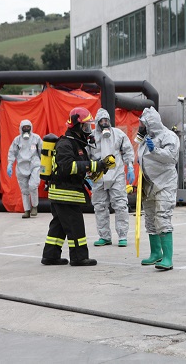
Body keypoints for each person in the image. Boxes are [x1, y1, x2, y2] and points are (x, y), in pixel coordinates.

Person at [41, 107, 114, 267]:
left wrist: (99, 168)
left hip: (65, 191)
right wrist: (94, 165)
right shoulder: (65, 144)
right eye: (85, 126)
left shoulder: (76, 143)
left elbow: (82, 166)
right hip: (65, 193)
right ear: (76, 126)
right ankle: (79, 257)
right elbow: (68, 167)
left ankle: (50, 255)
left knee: (59, 226)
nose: (88, 129)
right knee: (75, 226)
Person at [137, 106, 179, 271]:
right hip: (149, 183)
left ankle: (168, 258)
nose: (140, 126)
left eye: (142, 123)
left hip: (165, 183)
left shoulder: (169, 136)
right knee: (150, 219)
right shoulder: (145, 138)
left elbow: (171, 157)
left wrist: (155, 150)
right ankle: (156, 253)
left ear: (150, 123)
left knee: (162, 217)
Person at [89, 108, 136, 247]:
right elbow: (87, 155)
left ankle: (122, 235)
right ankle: (104, 236)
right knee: (100, 206)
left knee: (120, 205)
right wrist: (87, 174)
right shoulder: (91, 137)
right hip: (98, 176)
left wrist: (130, 166)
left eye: (106, 120)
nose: (104, 123)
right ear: (97, 122)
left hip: (116, 174)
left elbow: (128, 150)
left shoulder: (118, 134)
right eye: (101, 121)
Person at [7, 119, 42, 218]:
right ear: (21, 128)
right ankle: (27, 210)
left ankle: (34, 206)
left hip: (34, 165)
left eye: (28, 127)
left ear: (31, 128)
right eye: (24, 127)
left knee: (33, 186)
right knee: (24, 190)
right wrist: (10, 164)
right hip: (21, 167)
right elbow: (12, 152)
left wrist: (44, 166)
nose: (26, 129)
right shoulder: (17, 140)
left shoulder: (36, 138)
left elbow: (42, 151)